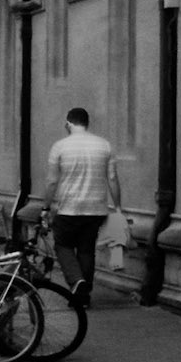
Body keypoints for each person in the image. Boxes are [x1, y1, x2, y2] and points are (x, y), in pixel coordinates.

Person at [43, 106, 121, 305]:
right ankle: (83, 297)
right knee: (86, 250)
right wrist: (118, 207)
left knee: (63, 245)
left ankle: (77, 281)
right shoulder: (104, 145)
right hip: (96, 208)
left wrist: (45, 207)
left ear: (68, 123)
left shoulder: (60, 146)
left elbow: (52, 181)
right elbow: (112, 178)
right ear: (87, 123)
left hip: (69, 207)